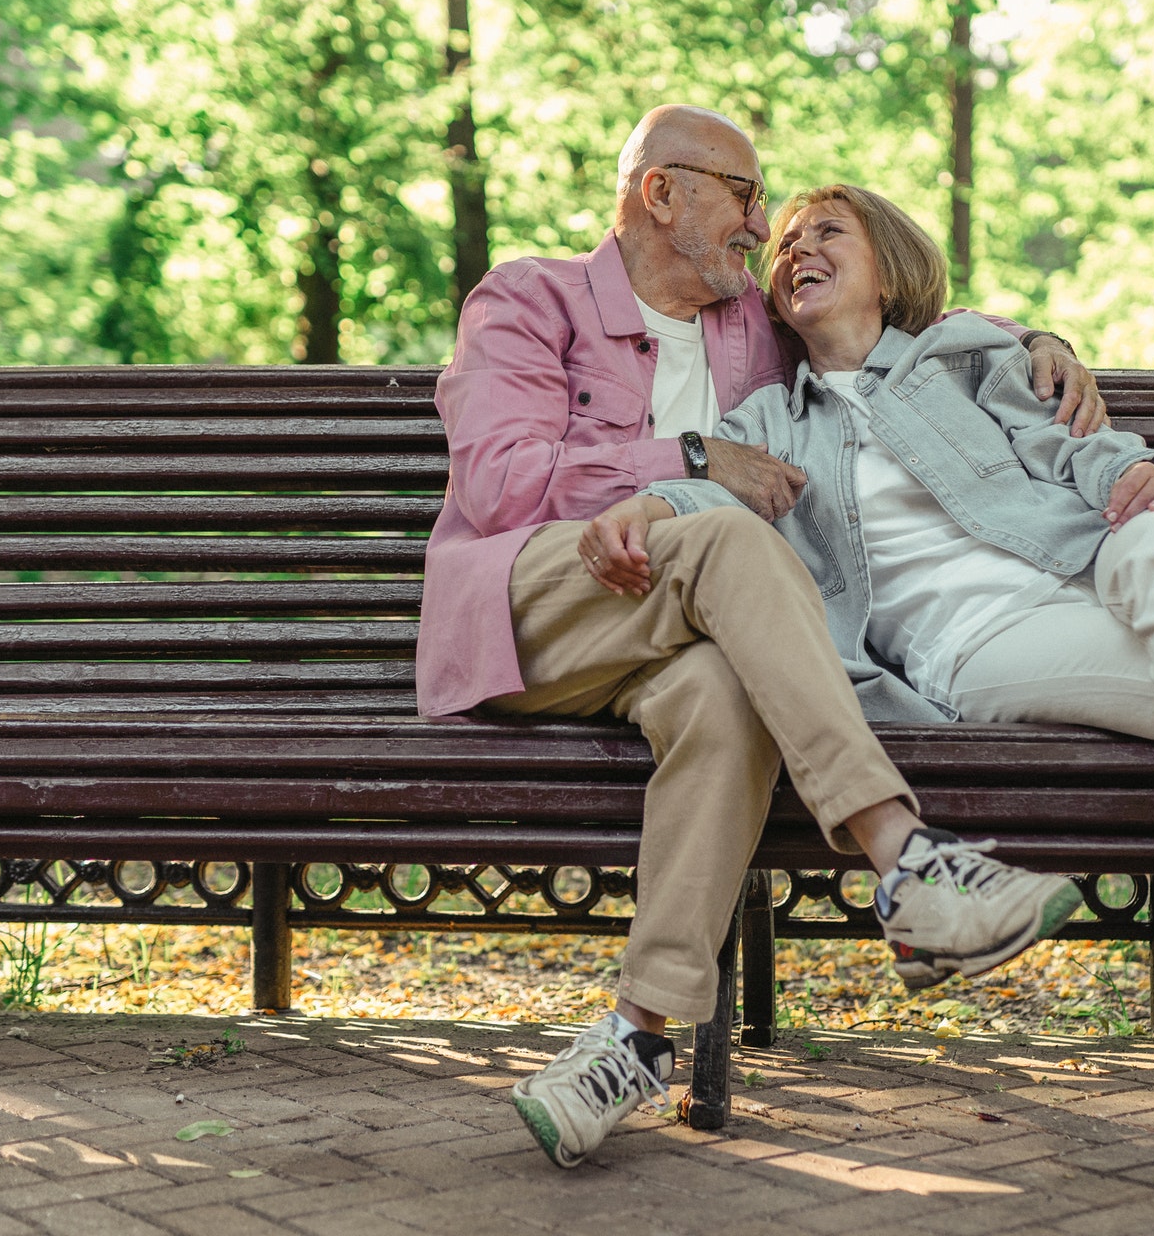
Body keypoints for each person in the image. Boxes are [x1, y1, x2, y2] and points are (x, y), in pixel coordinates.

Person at [580, 184, 1154, 1200]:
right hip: (985, 648)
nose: (797, 251)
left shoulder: (970, 362)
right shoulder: (768, 420)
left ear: (890, 264)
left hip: (1100, 575)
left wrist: (1140, 473)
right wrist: (651, 501)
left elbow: (1080, 449)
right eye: (784, 243)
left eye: (828, 232)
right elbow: (709, 490)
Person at [417, 109, 1105, 1170]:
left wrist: (1033, 341)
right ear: (662, 192)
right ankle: (906, 859)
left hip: (669, 625)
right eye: (744, 197)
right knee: (728, 534)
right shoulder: (530, 297)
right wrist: (687, 457)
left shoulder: (751, 321)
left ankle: (631, 1041)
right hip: (537, 611)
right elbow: (499, 483)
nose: (760, 225)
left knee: (729, 699)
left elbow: (896, 318)